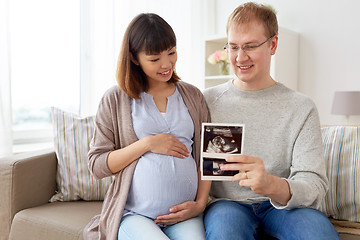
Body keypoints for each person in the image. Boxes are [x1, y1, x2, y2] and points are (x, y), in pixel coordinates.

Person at [203, 2, 339, 240]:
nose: (239, 57)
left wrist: (270, 184)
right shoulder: (208, 101)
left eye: (250, 46)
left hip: (284, 207)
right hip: (227, 204)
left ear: (273, 44)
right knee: (225, 230)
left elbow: (315, 185)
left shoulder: (301, 107)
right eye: (233, 47)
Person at [83, 13, 211, 240]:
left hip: (184, 215)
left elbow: (208, 157)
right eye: (154, 59)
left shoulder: (192, 95)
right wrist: (147, 144)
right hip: (135, 215)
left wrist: (200, 204)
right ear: (134, 58)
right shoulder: (115, 98)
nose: (166, 64)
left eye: (171, 53)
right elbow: (97, 165)